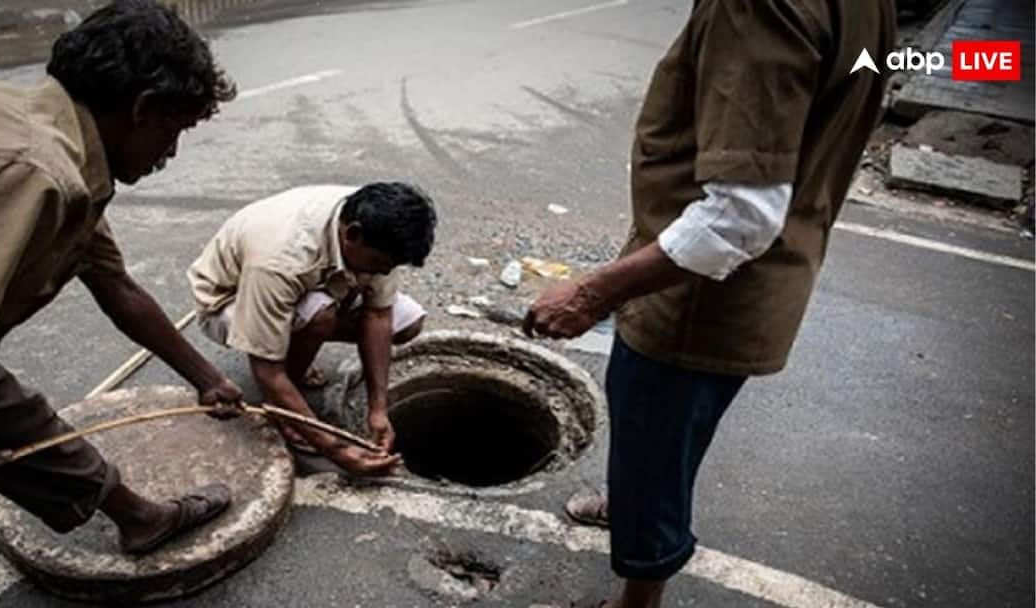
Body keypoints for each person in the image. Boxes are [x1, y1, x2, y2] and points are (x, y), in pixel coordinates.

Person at [524, 1, 896, 606]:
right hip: (764, 279)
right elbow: (853, 82)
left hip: (698, 297)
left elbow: (738, 219)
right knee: (669, 437)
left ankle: (638, 597)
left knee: (655, 449)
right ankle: (630, 509)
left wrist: (591, 293)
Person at [0, 0, 244, 554]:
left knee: (12, 415)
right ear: (144, 107)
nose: (171, 152)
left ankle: (141, 518)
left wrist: (205, 377)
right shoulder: (34, 169)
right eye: (174, 130)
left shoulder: (62, 149)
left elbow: (116, 286)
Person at [188, 182, 437, 476]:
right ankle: (282, 409)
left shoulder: (379, 228)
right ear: (352, 234)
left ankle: (296, 355)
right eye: (379, 264)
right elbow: (267, 369)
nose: (383, 272)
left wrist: (378, 409)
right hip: (230, 300)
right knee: (320, 315)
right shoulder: (281, 258)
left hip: (316, 284)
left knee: (408, 322)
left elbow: (379, 315)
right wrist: (334, 449)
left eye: (390, 266)